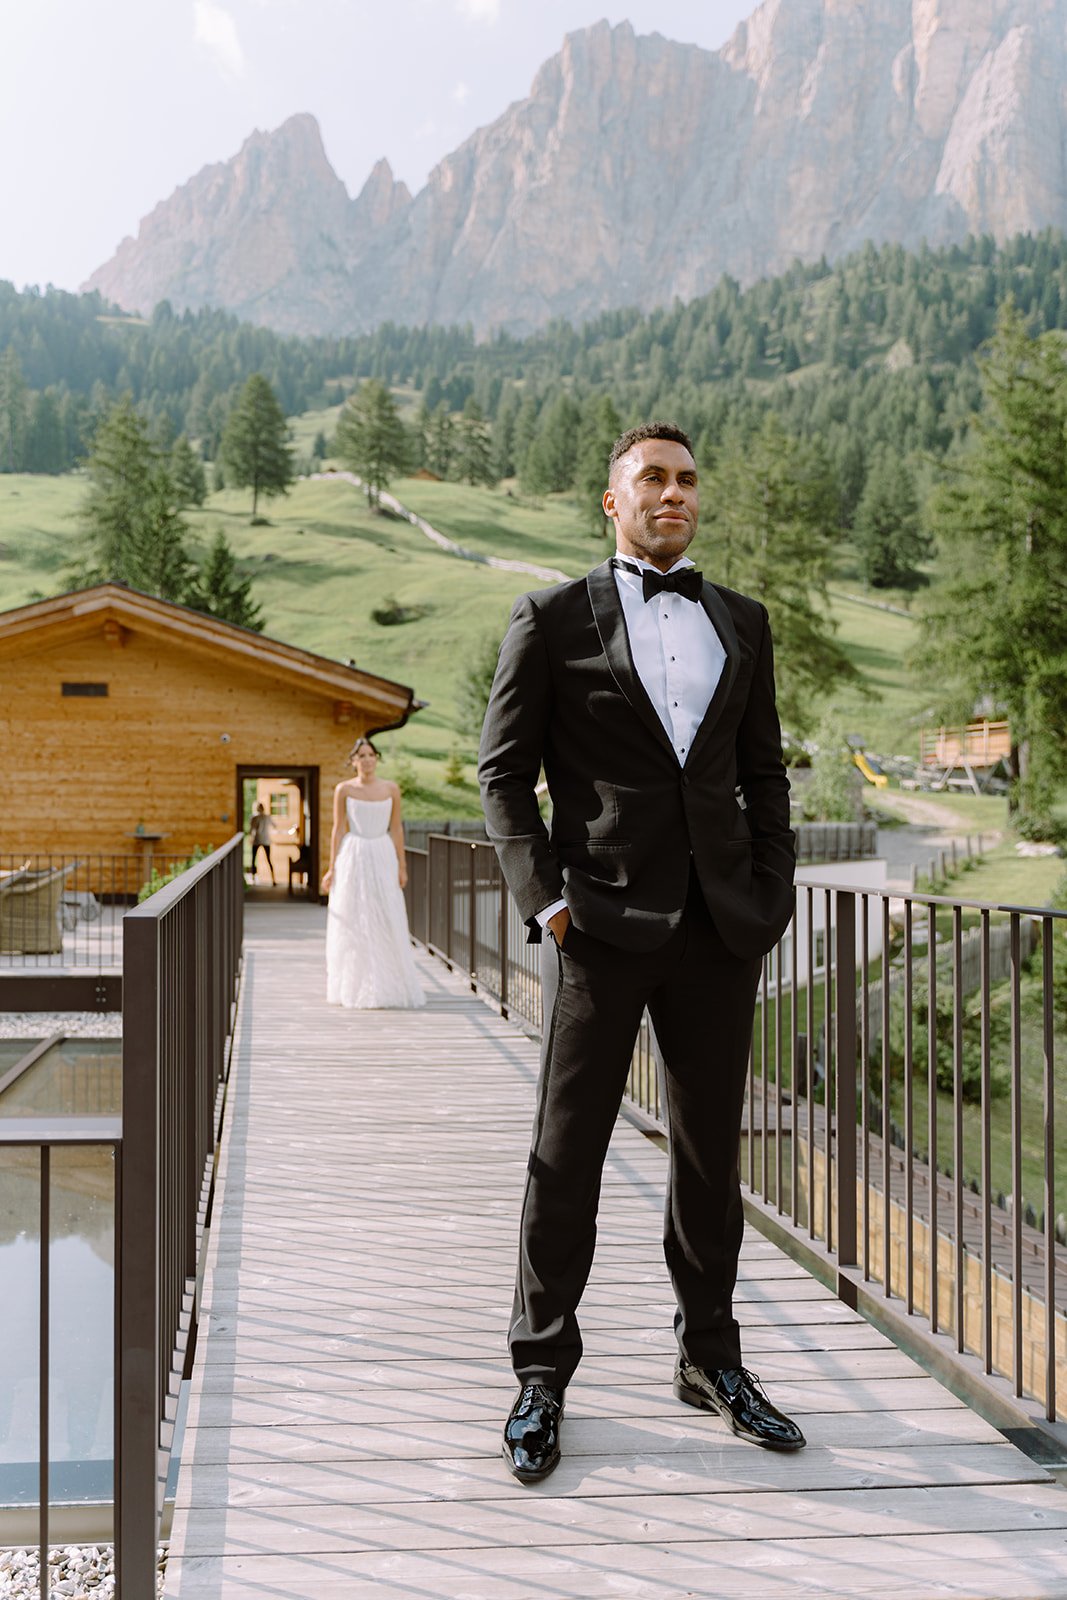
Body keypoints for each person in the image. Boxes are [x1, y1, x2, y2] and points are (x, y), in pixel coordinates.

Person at [478, 421, 804, 1485]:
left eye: (687, 480)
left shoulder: (741, 622)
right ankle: (539, 1374)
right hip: (600, 928)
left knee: (711, 1156)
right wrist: (546, 904)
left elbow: (764, 775)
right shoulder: (549, 618)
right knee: (564, 1154)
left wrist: (769, 893)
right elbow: (502, 776)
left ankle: (711, 1359)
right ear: (610, 501)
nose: (675, 493)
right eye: (652, 479)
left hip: (720, 930)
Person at [322, 738, 424, 1010]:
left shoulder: (391, 789)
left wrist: (402, 866)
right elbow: (338, 829)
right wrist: (331, 868)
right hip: (354, 855)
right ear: (353, 761)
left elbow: (397, 829)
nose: (367, 760)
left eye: (371, 755)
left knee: (386, 914)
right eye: (361, 756)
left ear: (376, 759)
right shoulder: (343, 789)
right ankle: (356, 983)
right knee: (355, 916)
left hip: (382, 854)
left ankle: (389, 981)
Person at [249, 802, 274, 884]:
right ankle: (273, 879)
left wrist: (250, 838)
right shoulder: (267, 817)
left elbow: (251, 829)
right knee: (269, 859)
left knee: (253, 860)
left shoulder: (254, 817)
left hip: (257, 840)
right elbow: (274, 826)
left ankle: (252, 879)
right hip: (266, 840)